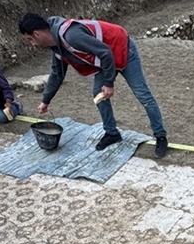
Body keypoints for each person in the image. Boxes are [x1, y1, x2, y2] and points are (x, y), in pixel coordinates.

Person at [18, 13, 169, 158]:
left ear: (37, 34)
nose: (33, 44)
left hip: (122, 48)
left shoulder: (71, 36)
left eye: (30, 39)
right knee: (98, 93)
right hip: (106, 59)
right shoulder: (57, 48)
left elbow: (105, 52)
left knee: (143, 94)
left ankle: (160, 136)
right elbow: (57, 75)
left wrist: (109, 83)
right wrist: (45, 101)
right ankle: (112, 133)